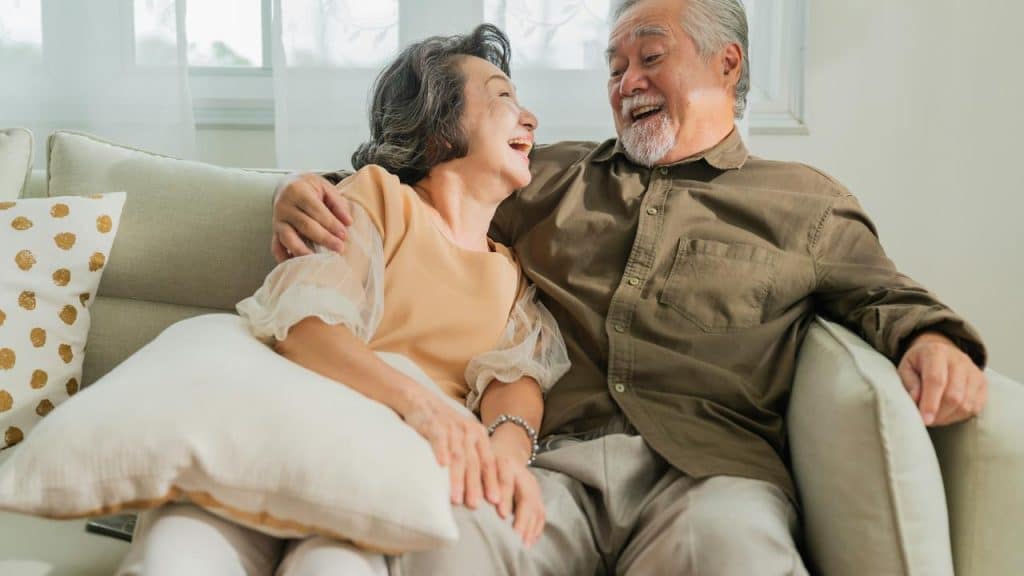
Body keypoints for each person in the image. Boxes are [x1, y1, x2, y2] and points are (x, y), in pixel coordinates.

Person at [273, 0, 990, 574]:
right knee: (443, 546)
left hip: (709, 479)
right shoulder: (553, 176)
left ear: (726, 63)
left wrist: (930, 339)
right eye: (614, 67)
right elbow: (422, 184)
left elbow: (885, 295)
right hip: (548, 466)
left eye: (650, 57)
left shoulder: (804, 203)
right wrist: (301, 193)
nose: (626, 82)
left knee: (743, 556)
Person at [116, 25, 569, 576]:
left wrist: (506, 459)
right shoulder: (376, 197)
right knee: (177, 555)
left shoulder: (509, 270)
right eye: (502, 97)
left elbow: (515, 382)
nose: (530, 118)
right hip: (281, 439)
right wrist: (423, 408)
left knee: (331, 566)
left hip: (381, 479)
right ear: (439, 131)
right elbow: (305, 326)